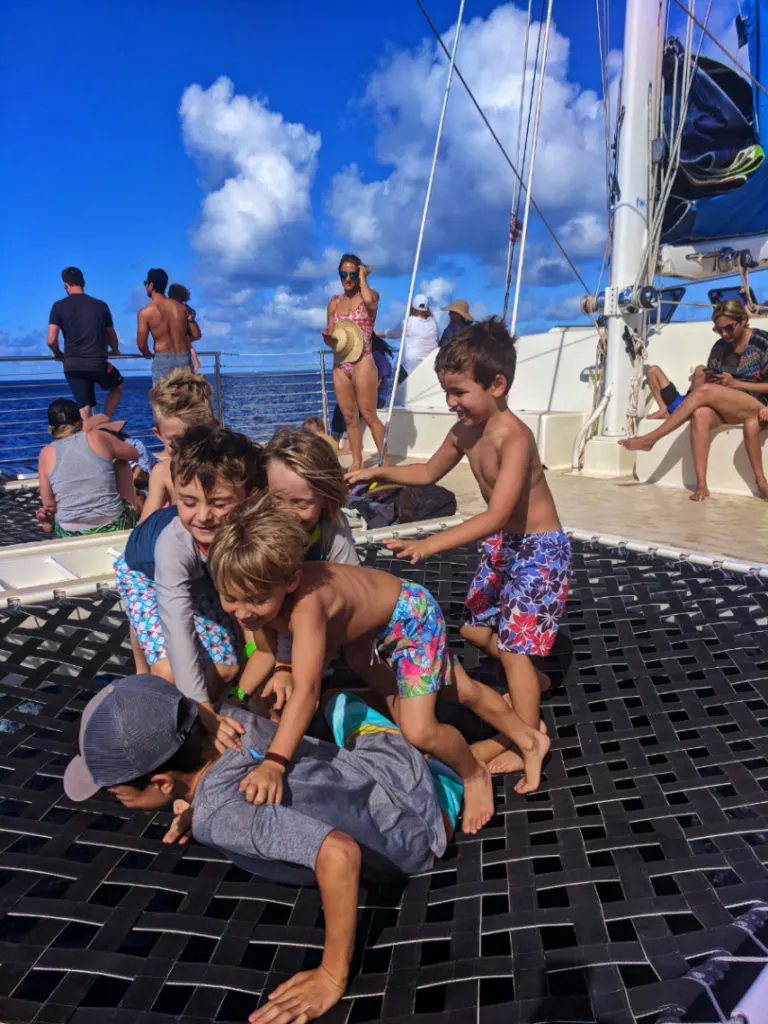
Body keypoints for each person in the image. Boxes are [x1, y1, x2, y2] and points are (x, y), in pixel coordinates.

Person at [63, 676, 468, 1023]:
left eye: (118, 794)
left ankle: (461, 766)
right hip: (383, 775)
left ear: (164, 783)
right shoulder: (228, 722)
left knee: (432, 771)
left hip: (422, 827)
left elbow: (339, 854)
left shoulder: (221, 818)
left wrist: (331, 975)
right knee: (337, 702)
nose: (117, 801)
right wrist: (192, 805)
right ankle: (441, 756)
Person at [209, 496, 551, 835]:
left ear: (291, 582)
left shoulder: (305, 609)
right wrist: (236, 699)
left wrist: (275, 762)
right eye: (230, 598)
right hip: (371, 634)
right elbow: (266, 654)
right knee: (458, 689)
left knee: (421, 731)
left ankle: (473, 773)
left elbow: (307, 692)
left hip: (411, 618)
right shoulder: (261, 597)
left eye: (255, 601)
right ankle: (529, 737)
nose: (242, 612)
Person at [347, 318, 571, 772]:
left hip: (539, 551)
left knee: (512, 650)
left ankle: (524, 739)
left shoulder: (515, 438)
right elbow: (428, 473)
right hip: (504, 547)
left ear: (498, 384)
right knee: (474, 632)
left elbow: (496, 514)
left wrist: (431, 545)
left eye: (460, 392)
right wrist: (379, 472)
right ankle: (532, 679)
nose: (451, 403)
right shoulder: (465, 431)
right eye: (446, 392)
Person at [113, 426, 265, 751]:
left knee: (227, 668)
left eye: (219, 503)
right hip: (145, 572)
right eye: (188, 501)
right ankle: (162, 729)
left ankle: (192, 720)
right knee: (167, 671)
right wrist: (205, 710)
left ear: (250, 496)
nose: (203, 516)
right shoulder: (174, 543)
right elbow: (178, 628)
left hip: (203, 574)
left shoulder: (252, 524)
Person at [621, 299, 768, 501]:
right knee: (700, 414)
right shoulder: (719, 347)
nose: (724, 334)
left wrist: (736, 385)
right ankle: (701, 484)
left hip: (757, 403)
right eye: (719, 330)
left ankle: (651, 439)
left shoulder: (761, 342)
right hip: (729, 405)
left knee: (706, 391)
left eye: (729, 328)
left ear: (743, 320)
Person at [37, 399, 138, 538]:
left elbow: (49, 504)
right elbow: (133, 453)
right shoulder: (97, 436)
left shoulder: (46, 453)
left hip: (69, 531)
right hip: (112, 524)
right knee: (122, 464)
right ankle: (130, 524)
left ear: (50, 428)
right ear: (81, 422)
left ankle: (49, 526)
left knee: (52, 507)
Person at [322, 254, 386, 471]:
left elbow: (369, 301)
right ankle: (357, 462)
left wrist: (363, 277)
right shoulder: (334, 302)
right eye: (343, 274)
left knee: (368, 414)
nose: (347, 278)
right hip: (341, 363)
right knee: (349, 417)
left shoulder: (370, 296)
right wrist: (328, 338)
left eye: (352, 274)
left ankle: (383, 462)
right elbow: (332, 333)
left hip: (363, 360)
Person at [47, 267, 124, 421]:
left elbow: (51, 340)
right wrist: (115, 350)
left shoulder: (58, 306)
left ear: (65, 285)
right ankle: (104, 421)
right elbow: (111, 335)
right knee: (118, 384)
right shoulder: (100, 306)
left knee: (84, 407)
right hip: (97, 364)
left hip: (73, 366)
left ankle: (86, 439)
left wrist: (57, 353)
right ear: (83, 283)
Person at [140, 368, 216, 521]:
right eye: (176, 442)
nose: (188, 449)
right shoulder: (162, 473)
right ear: (159, 435)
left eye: (196, 439)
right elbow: (144, 527)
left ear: (215, 428)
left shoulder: (232, 467)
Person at [137, 269, 194, 385]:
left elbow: (141, 344)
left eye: (145, 283)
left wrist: (147, 353)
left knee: (163, 400)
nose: (145, 286)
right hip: (184, 357)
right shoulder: (182, 309)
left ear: (151, 285)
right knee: (186, 400)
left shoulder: (145, 312)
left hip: (163, 359)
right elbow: (193, 334)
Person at [384, 294, 439, 382]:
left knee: (398, 383)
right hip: (429, 366)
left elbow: (391, 334)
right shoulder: (433, 323)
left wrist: (376, 334)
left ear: (412, 307)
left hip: (409, 367)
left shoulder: (408, 322)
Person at [168, 283, 202, 373]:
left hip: (182, 333)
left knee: (188, 343)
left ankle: (196, 361)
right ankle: (196, 361)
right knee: (188, 345)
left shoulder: (183, 307)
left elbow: (192, 312)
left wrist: (190, 318)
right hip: (181, 335)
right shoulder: (184, 307)